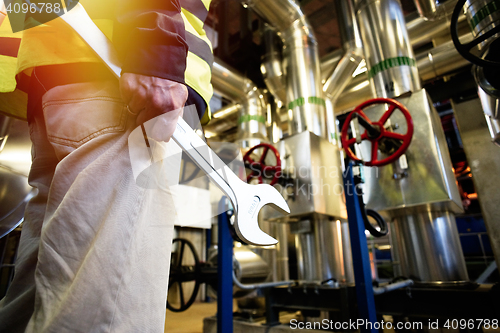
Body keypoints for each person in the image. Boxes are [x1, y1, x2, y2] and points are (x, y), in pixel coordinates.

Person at [0, 0, 213, 332]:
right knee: (107, 314)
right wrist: (156, 43)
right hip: (123, 74)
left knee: (39, 302)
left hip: (55, 73)